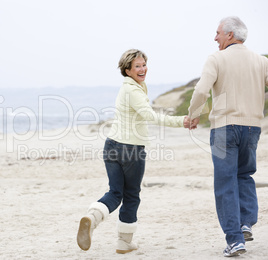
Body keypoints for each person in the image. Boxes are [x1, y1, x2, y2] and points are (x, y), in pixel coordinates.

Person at [187, 16, 268, 257]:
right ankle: (246, 223)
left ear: (230, 35)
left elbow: (202, 90)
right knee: (245, 175)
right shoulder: (261, 61)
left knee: (225, 182)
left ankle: (235, 240)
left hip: (224, 128)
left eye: (218, 33)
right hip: (252, 128)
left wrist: (193, 114)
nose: (215, 38)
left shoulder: (217, 59)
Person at [76, 49, 191, 254]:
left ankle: (92, 218)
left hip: (111, 146)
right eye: (137, 66)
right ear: (127, 70)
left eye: (144, 64)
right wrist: (181, 121)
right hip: (130, 149)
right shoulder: (134, 91)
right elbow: (150, 116)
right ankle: (124, 241)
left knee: (114, 192)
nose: (142, 69)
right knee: (131, 195)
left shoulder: (127, 88)